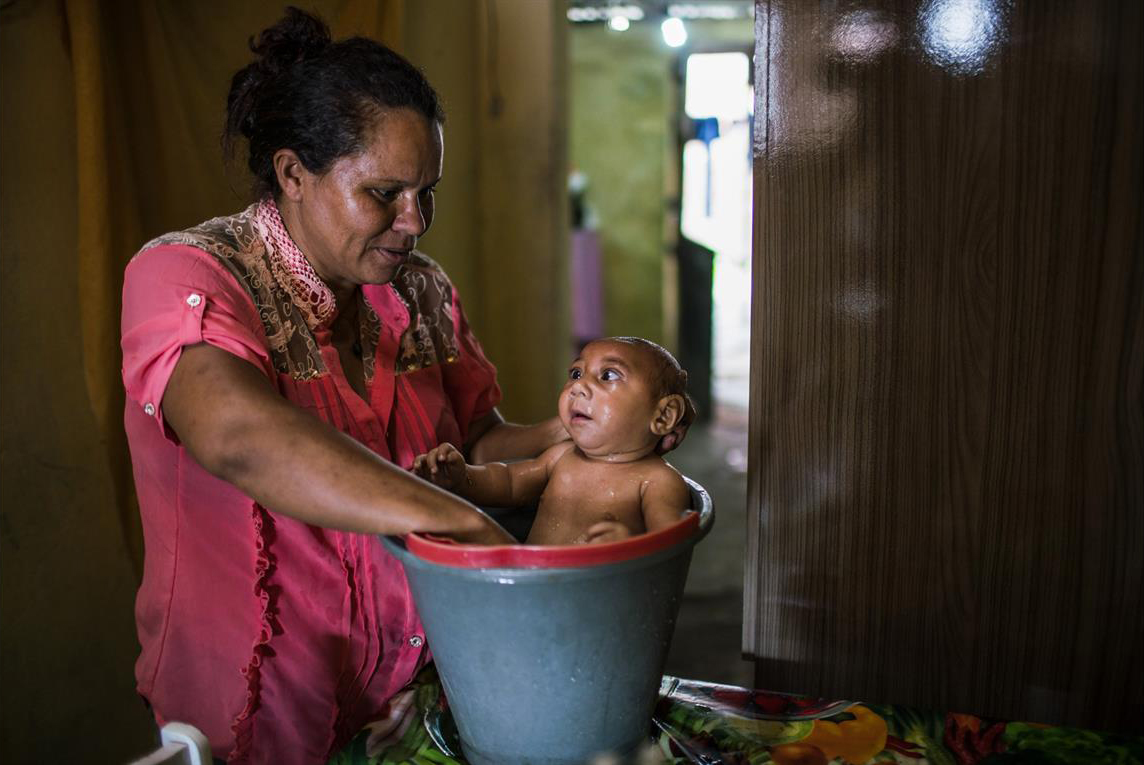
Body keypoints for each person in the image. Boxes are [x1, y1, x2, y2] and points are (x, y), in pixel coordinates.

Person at [118, 9, 576, 763]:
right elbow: (238, 434)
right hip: (256, 705)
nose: (414, 221)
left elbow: (477, 442)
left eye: (427, 192)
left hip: (406, 691)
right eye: (385, 193)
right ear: (295, 173)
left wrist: (579, 433)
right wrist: (458, 522)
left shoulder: (419, 293)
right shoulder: (189, 276)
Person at [414, 337, 697, 545]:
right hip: (537, 592)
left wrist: (630, 546)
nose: (578, 387)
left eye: (608, 375)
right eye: (576, 373)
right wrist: (462, 477)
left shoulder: (657, 481)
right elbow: (509, 483)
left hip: (606, 602)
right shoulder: (561, 456)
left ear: (664, 416)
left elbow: (671, 544)